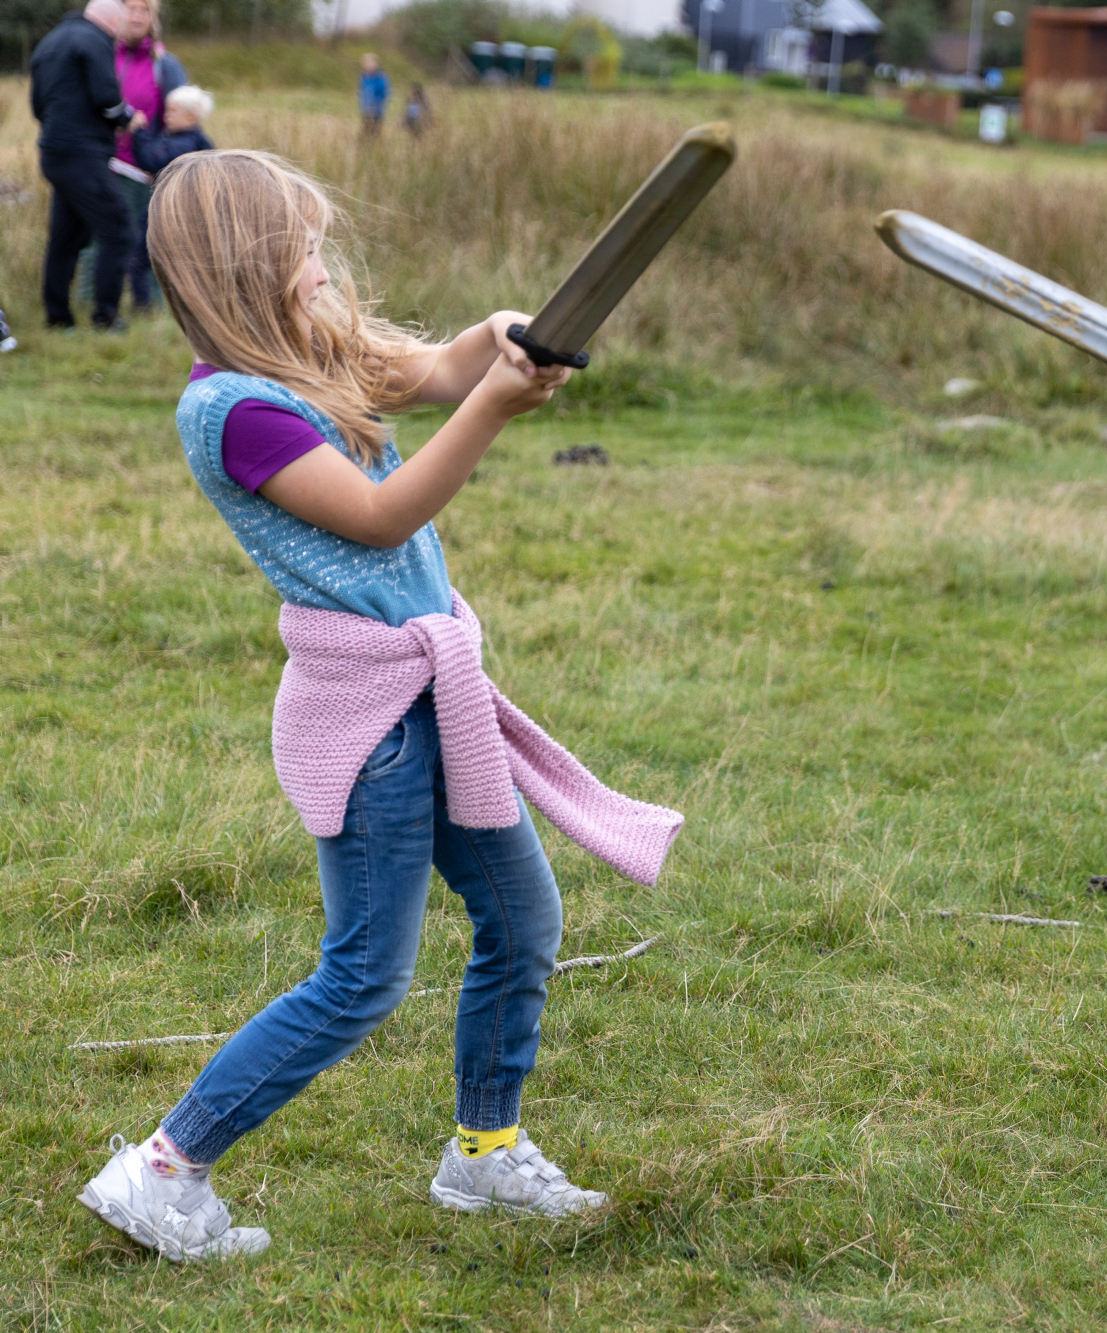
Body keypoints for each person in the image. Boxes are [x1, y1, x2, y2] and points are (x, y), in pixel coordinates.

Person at [75, 149, 684, 1262]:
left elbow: (441, 367)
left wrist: (501, 342)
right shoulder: (235, 411)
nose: (320, 262)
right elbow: (381, 514)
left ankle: (484, 1154)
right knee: (363, 974)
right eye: (301, 246)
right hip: (371, 731)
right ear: (248, 266)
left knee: (522, 919)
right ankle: (162, 1170)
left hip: (430, 702)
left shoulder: (315, 358)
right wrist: (496, 406)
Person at [30, 0, 143, 330]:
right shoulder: (93, 39)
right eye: (121, 24)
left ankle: (58, 317)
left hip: (54, 150)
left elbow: (38, 104)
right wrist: (126, 118)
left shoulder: (50, 41)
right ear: (111, 20)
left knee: (65, 238)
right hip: (83, 154)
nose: (121, 32)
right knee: (120, 231)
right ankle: (106, 317)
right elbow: (106, 96)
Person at [108, 0, 184, 311]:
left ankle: (151, 308)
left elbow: (182, 118)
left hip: (145, 171)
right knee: (99, 239)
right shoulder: (102, 55)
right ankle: (97, 301)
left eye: (144, 10)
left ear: (153, 18)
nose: (137, 16)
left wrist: (164, 160)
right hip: (103, 165)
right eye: (130, 8)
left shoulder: (165, 64)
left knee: (148, 241)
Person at [133, 85, 215, 174]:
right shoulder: (190, 138)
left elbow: (152, 163)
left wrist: (140, 131)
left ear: (190, 117)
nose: (166, 115)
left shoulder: (183, 146)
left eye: (172, 110)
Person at [358, 53, 389, 137]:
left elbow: (385, 93)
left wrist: (375, 106)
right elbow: (362, 91)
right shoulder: (364, 76)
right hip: (366, 110)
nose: (368, 65)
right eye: (366, 63)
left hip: (377, 112)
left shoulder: (381, 77)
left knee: (375, 134)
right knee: (365, 135)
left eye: (370, 63)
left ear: (375, 63)